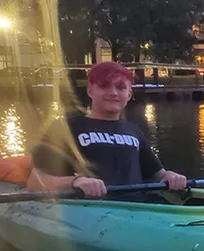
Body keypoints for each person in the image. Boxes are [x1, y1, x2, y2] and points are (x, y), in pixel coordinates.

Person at [26, 61, 188, 199]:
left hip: (138, 211)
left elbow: (157, 175)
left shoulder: (134, 130)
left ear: (129, 94)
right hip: (86, 210)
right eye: (104, 86)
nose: (113, 93)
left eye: (121, 87)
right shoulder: (65, 127)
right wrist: (75, 182)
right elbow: (35, 181)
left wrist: (171, 176)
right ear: (90, 90)